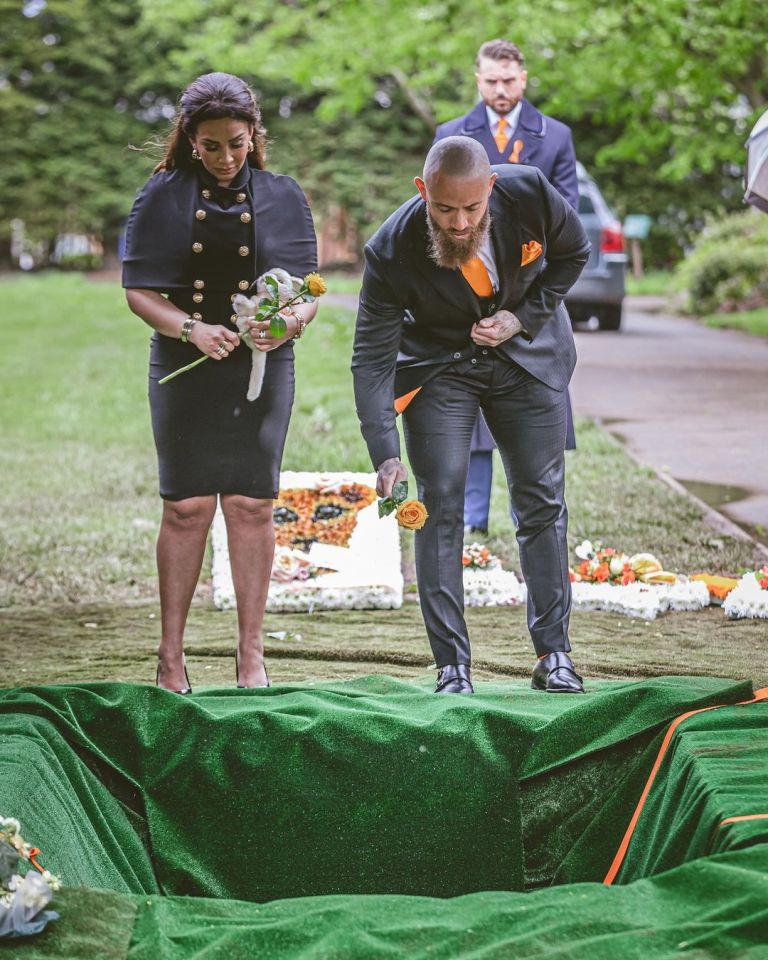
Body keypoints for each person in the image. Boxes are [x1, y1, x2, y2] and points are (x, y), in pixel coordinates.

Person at [352, 137, 589, 695]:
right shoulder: (390, 249)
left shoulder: (529, 189)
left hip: (525, 358)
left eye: (471, 209)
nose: (458, 224)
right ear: (422, 191)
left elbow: (574, 253)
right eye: (443, 209)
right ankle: (452, 667)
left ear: (492, 189)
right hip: (442, 368)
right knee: (439, 505)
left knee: (540, 499)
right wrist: (385, 452)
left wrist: (522, 316)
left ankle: (554, 655)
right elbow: (371, 356)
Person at [123, 73, 318, 693]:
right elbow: (138, 291)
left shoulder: (284, 194)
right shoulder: (162, 195)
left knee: (252, 504)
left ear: (253, 135)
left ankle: (251, 656)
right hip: (185, 363)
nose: (227, 158)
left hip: (262, 367)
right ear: (190, 140)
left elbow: (310, 294)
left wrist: (286, 323)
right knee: (185, 507)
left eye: (237, 143)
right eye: (211, 146)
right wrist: (191, 329)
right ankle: (171, 656)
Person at [434, 39, 579, 536]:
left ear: (524, 78)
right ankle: (474, 520)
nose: (501, 89)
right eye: (491, 80)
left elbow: (566, 218)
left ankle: (530, 516)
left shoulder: (555, 136)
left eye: (509, 80)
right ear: (478, 79)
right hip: (466, 295)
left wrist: (524, 303)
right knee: (470, 414)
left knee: (535, 410)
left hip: (529, 290)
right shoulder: (450, 135)